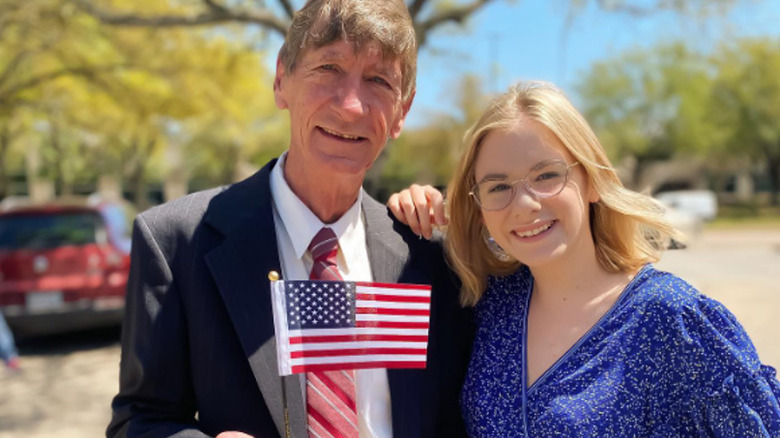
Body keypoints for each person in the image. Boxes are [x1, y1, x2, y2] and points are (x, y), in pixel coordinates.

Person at [106, 1, 474, 437]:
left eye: (378, 80)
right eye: (329, 68)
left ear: (402, 112)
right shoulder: (176, 243)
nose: (351, 105)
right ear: (282, 80)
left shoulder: (427, 256)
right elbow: (140, 420)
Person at [388, 81, 780, 436]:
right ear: (479, 208)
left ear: (591, 181)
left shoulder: (671, 318)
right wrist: (416, 213)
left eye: (546, 176)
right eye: (498, 186)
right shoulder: (492, 305)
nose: (524, 205)